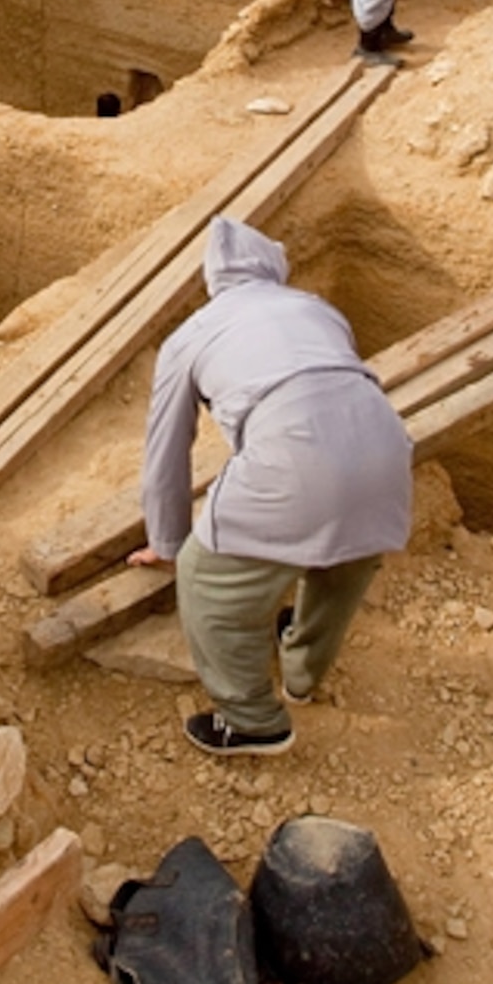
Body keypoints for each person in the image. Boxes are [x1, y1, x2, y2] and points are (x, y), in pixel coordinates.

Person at [129, 219, 415, 757]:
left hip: (292, 452)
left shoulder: (190, 336)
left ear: (214, 278)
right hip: (385, 444)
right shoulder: (314, 307)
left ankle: (252, 719)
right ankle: (303, 674)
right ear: (274, 268)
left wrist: (167, 544)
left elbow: (166, 452)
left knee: (203, 579)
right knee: (343, 562)